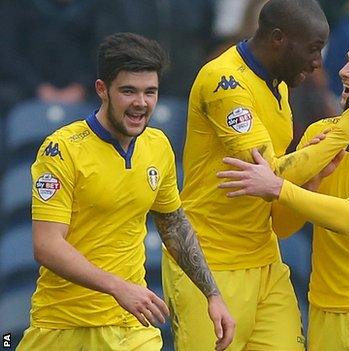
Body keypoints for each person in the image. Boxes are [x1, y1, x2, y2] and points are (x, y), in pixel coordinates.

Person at [161, 0, 349, 350]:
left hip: (266, 262)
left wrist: (313, 176)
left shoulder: (282, 86)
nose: (319, 62)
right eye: (313, 49)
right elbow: (269, 173)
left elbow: (278, 208)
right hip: (211, 265)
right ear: (278, 39)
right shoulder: (224, 81)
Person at [217, 23, 349, 350]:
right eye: (347, 61)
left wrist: (278, 188)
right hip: (324, 315)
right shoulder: (322, 132)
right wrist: (312, 180)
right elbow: (283, 227)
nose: (342, 72)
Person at [18, 32, 234, 351]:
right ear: (102, 90)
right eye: (128, 91)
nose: (141, 103)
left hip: (131, 328)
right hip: (63, 326)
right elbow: (47, 245)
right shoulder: (61, 149)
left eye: (150, 92)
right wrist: (118, 287)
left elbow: (173, 225)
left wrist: (213, 295)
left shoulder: (158, 146)